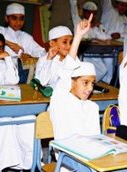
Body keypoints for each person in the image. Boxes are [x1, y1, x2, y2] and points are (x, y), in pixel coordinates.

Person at [49, 15, 100, 171]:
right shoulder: (60, 99)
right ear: (71, 82)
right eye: (85, 83)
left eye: (92, 83)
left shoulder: (92, 107)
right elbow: (67, 69)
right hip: (66, 159)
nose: (90, 88)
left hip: (88, 157)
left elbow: (95, 139)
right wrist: (77, 36)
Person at [0, 27, 33, 171]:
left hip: (3, 108)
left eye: (0, 48)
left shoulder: (3, 62)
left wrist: (7, 58)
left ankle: (24, 164)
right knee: (5, 123)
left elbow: (13, 81)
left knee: (28, 120)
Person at [70, 0, 111, 82]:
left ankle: (93, 84)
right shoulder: (78, 21)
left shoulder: (96, 25)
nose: (92, 16)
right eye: (89, 13)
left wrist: (94, 26)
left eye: (94, 14)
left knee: (104, 68)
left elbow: (106, 37)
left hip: (93, 53)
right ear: (84, 12)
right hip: (81, 53)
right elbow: (73, 9)